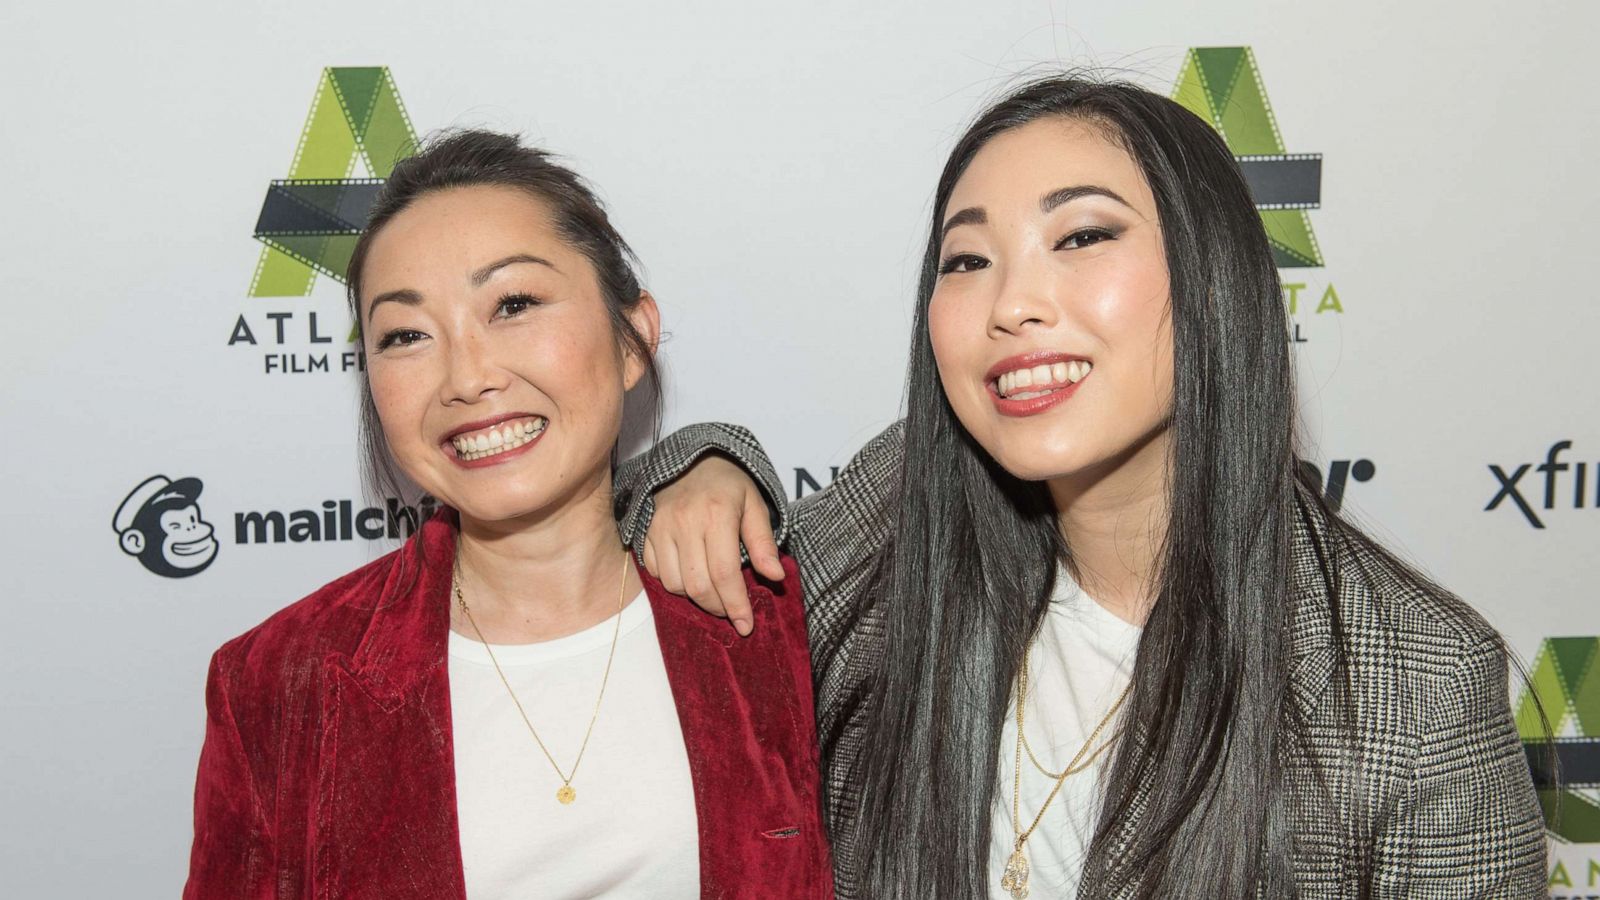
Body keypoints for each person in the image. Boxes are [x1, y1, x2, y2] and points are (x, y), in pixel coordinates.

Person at [615, 77, 1546, 898]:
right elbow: (603, 549)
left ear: (1212, 276)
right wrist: (702, 464)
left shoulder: (1416, 686)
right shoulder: (903, 507)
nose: (1013, 302)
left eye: (1084, 235)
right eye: (967, 260)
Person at [183, 131, 832, 899]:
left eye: (514, 304)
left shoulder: (784, 610)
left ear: (635, 339)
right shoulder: (278, 682)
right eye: (406, 335)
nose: (468, 376)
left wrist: (716, 449)